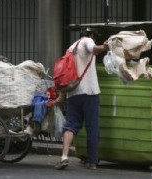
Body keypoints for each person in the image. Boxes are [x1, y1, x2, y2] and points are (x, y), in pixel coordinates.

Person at [55, 27, 108, 170]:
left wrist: (62, 94)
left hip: (73, 93)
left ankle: (64, 157)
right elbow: (94, 48)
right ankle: (92, 161)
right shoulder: (88, 41)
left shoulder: (71, 48)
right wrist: (104, 46)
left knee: (71, 125)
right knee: (92, 127)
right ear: (91, 35)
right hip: (89, 92)